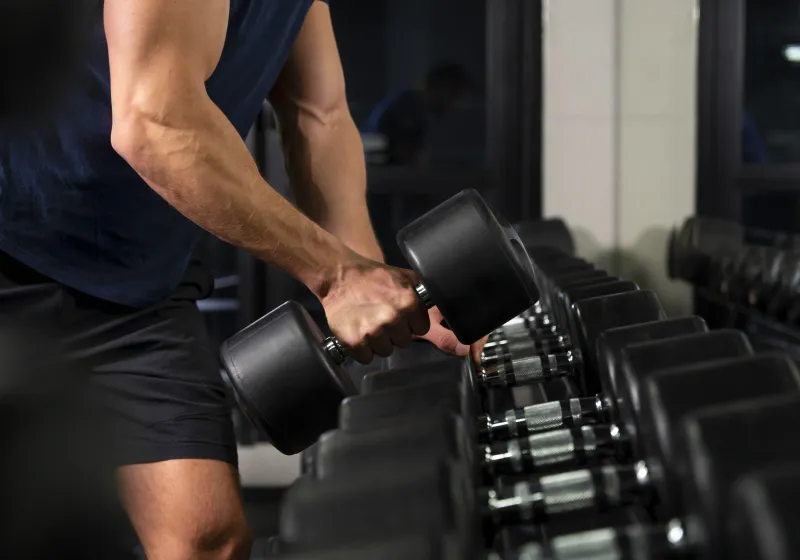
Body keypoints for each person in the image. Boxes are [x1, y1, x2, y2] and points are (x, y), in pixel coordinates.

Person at [0, 1, 485, 558]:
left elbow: (319, 116)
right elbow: (153, 123)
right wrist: (336, 276)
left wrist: (380, 288)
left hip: (138, 289)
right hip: (12, 256)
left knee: (207, 542)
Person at [364, 62, 472, 165]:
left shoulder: (412, 107)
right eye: (453, 94)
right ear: (437, 86)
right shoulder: (407, 108)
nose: (453, 105)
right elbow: (410, 158)